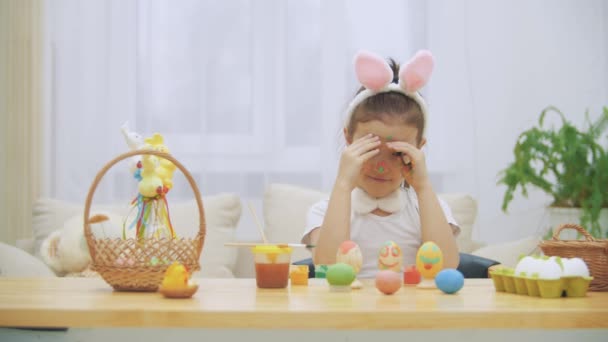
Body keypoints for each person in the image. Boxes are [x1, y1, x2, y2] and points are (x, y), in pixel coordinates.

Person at [301, 50, 460, 278]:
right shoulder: (325, 212)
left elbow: (446, 269)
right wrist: (343, 184)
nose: (381, 167)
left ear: (418, 150)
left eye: (396, 154)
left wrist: (423, 187)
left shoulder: (427, 208)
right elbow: (328, 267)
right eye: (371, 150)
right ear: (349, 140)